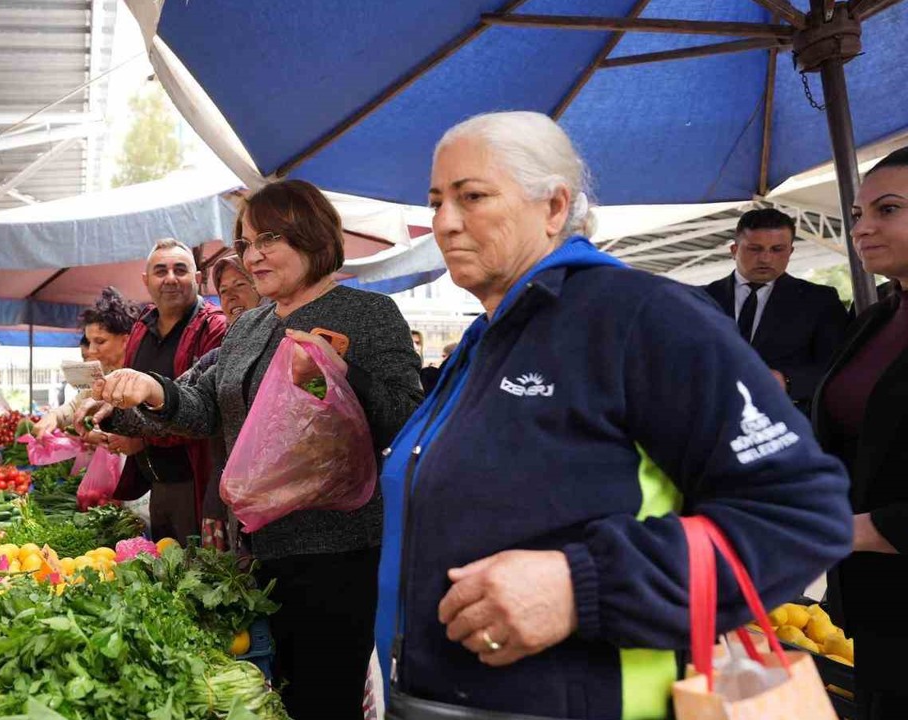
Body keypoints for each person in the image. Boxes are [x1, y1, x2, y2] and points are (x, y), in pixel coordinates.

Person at [371, 111, 851, 719]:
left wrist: (581, 585)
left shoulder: (639, 318)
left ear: (553, 208)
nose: (443, 223)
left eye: (472, 197)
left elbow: (801, 516)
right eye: (436, 200)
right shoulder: (486, 338)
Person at [81, 180, 423, 719]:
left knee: (322, 699)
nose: (253, 255)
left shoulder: (368, 314)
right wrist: (149, 391)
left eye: (269, 239)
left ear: (312, 237)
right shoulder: (249, 327)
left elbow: (403, 420)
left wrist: (335, 375)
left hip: (336, 552)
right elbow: (202, 405)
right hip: (255, 550)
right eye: (245, 243)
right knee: (273, 690)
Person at [812, 147, 908, 720]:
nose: (862, 229)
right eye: (856, 213)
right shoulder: (876, 318)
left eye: (888, 210)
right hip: (870, 609)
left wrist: (855, 530)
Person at [104, 239, 227, 545]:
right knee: (166, 566)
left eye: (180, 270)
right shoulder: (141, 327)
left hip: (198, 479)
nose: (170, 278)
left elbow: (208, 411)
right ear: (146, 281)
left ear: (197, 278)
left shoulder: (214, 328)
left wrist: (138, 433)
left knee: (201, 571)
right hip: (155, 481)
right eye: (161, 271)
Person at [702, 208, 849, 413]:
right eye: (755, 249)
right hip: (711, 421)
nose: (765, 259)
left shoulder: (819, 300)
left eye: (777, 249)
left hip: (788, 422)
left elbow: (838, 367)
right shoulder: (699, 299)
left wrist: (786, 381)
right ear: (734, 250)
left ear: (790, 251)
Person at [35, 288, 140, 433]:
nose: (91, 350)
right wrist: (54, 416)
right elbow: (76, 405)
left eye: (100, 341)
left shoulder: (144, 375)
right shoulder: (104, 374)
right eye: (90, 342)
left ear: (125, 341)